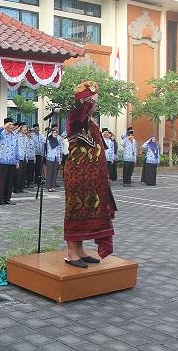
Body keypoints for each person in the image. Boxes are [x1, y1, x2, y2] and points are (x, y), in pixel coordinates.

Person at [63, 81, 117, 268]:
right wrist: (86, 97)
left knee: (87, 213)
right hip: (78, 176)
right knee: (76, 212)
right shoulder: (75, 118)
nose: (97, 104)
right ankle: (71, 253)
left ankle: (80, 251)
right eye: (95, 101)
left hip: (92, 179)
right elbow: (80, 114)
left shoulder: (91, 121)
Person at [0, 117, 19, 205]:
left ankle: (8, 198)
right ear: (6, 125)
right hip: (4, 162)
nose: (12, 126)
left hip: (13, 161)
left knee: (10, 181)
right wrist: (2, 127)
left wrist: (17, 160)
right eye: (10, 124)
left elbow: (16, 149)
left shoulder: (14, 135)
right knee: (3, 180)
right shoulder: (2, 135)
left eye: (12, 124)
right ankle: (2, 199)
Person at [45, 127, 61, 192]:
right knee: (49, 173)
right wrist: (48, 132)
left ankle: (53, 186)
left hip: (56, 158)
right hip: (50, 158)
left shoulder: (58, 140)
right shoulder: (48, 140)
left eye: (56, 133)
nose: (55, 134)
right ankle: (49, 186)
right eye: (54, 132)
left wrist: (59, 158)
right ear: (51, 133)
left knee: (55, 173)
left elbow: (59, 150)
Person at [13, 123, 28, 194]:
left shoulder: (26, 137)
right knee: (18, 174)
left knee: (23, 174)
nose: (26, 130)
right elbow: (13, 133)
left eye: (26, 128)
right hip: (19, 157)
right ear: (21, 129)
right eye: (24, 128)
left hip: (24, 157)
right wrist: (18, 129)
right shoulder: (17, 135)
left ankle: (21, 187)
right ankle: (16, 188)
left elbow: (26, 148)